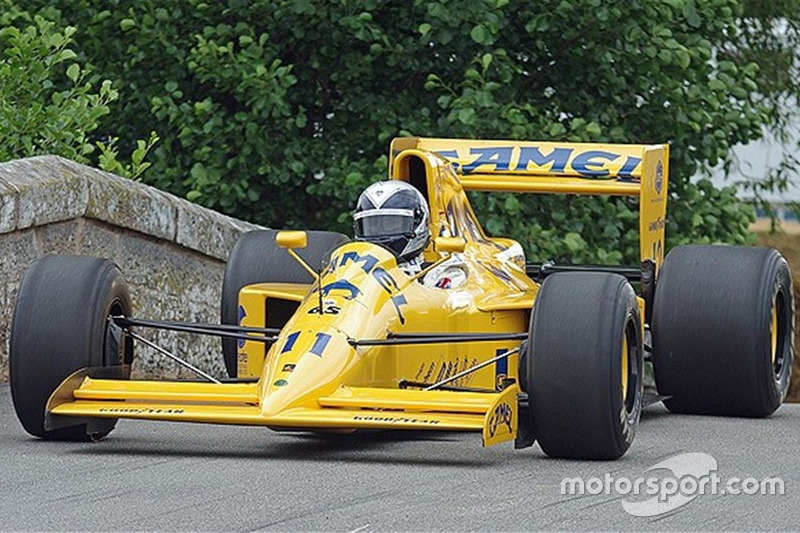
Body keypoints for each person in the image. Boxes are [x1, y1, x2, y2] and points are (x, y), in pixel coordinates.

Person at [353, 181, 467, 288]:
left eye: (391, 223)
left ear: (418, 224)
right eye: (373, 225)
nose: (380, 232)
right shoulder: (352, 274)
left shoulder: (442, 274)